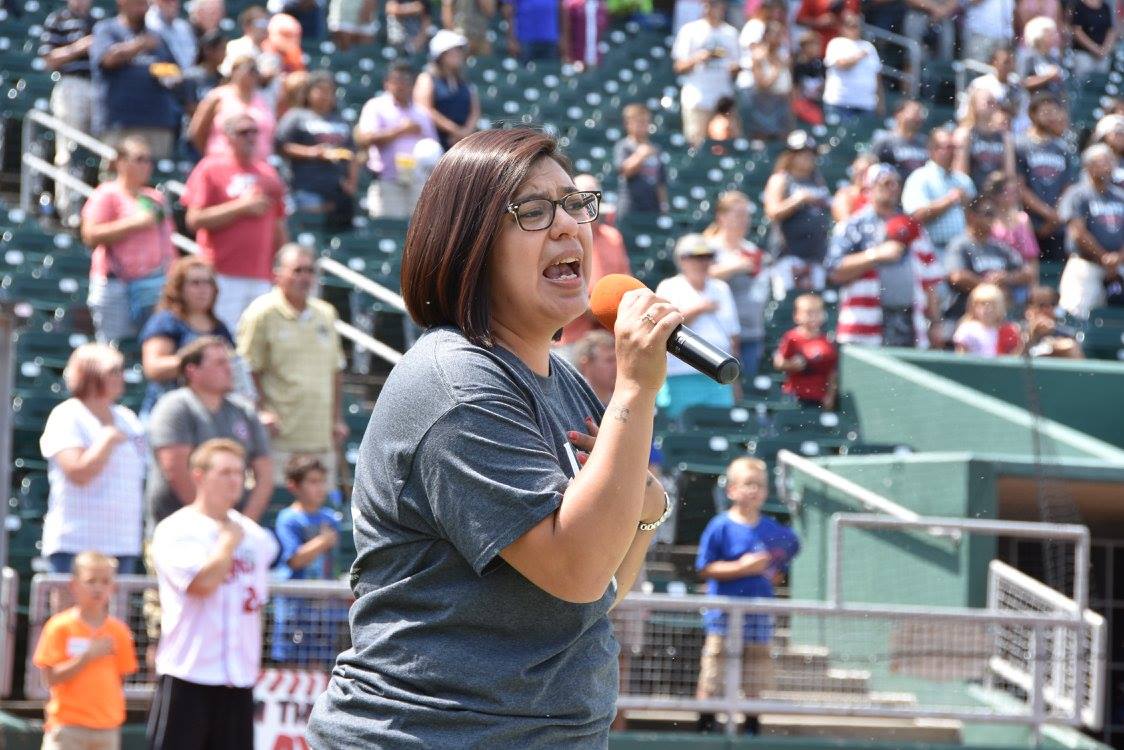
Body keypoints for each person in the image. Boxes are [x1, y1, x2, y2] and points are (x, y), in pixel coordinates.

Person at [307, 127, 674, 746]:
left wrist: (642, 512)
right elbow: (577, 569)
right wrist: (636, 389)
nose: (566, 226)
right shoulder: (457, 383)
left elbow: (594, 597)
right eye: (532, 210)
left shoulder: (562, 381)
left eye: (574, 204)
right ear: (469, 244)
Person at [146, 439, 279, 750]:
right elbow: (202, 585)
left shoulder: (256, 537)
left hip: (238, 676)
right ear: (199, 476)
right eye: (225, 472)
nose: (235, 481)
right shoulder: (176, 529)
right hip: (189, 673)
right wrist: (227, 544)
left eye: (239, 473)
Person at [694, 456, 800, 734]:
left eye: (760, 485)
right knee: (714, 672)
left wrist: (774, 569)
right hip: (723, 616)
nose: (754, 490)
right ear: (731, 490)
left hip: (758, 616)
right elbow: (705, 567)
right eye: (748, 484)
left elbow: (785, 557)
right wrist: (741, 567)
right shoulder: (720, 525)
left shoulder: (773, 530)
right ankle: (706, 725)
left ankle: (752, 726)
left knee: (755, 675)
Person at [237, 244, 349, 487]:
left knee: (321, 518)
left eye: (310, 270)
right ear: (277, 274)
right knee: (276, 511)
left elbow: (335, 371)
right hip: (280, 440)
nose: (305, 277)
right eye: (297, 270)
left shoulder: (326, 314)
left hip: (320, 437)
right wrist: (260, 411)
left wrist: (337, 418)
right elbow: (245, 368)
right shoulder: (261, 313)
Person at [39, 344, 146, 575]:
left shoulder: (128, 418)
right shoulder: (67, 415)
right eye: (113, 371)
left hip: (122, 541)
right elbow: (78, 472)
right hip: (75, 542)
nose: (121, 377)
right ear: (89, 375)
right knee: (71, 613)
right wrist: (105, 441)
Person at [146, 337, 274, 525]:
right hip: (181, 531)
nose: (229, 369)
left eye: (228, 362)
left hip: (234, 531)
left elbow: (265, 475)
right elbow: (176, 471)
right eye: (220, 363)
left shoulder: (244, 411)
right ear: (193, 370)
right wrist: (210, 523)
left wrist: (243, 525)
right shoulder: (174, 406)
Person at [182, 111, 289, 333]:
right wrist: (241, 207)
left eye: (254, 131)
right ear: (227, 136)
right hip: (220, 273)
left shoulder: (268, 173)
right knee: (223, 338)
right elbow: (194, 219)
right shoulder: (210, 168)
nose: (251, 137)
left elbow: (278, 224)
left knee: (256, 343)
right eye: (243, 132)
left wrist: (282, 266)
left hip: (261, 274)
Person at [827, 164, 945, 348]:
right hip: (865, 325)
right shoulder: (852, 226)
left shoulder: (912, 226)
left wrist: (936, 322)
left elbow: (930, 280)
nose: (893, 188)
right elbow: (835, 271)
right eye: (885, 183)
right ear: (869, 188)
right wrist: (875, 256)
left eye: (896, 183)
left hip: (909, 321)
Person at [32, 551, 137, 750]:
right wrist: (87, 656)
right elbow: (50, 678)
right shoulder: (59, 626)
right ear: (74, 585)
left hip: (107, 728)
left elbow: (120, 677)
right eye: (91, 581)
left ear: (113, 587)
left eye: (105, 581)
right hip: (67, 728)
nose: (98, 588)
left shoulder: (119, 631)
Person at [80, 136, 175, 344]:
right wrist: (134, 223)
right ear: (121, 162)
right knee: (113, 348)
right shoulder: (106, 194)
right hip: (116, 284)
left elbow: (167, 242)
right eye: (140, 159)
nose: (146, 165)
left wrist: (172, 275)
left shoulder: (155, 198)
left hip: (153, 284)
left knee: (154, 343)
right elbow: (90, 235)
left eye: (149, 160)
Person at [655, 234, 741, 416]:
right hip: (681, 374)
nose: (703, 262)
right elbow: (663, 326)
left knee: (720, 427)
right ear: (682, 260)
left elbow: (734, 336)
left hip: (718, 374)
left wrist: (735, 380)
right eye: (696, 257)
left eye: (708, 257)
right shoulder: (669, 286)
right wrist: (699, 309)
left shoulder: (721, 288)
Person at [139, 257, 236, 417]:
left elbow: (233, 368)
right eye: (195, 283)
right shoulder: (167, 321)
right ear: (179, 288)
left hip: (211, 414)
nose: (203, 289)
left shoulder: (220, 328)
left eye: (208, 283)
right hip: (170, 412)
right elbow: (153, 367)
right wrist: (199, 363)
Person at [271, 454, 345, 665]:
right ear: (294, 486)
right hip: (294, 606)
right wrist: (323, 541)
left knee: (321, 663)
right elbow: (294, 560)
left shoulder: (331, 518)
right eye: (313, 482)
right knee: (292, 663)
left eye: (322, 481)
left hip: (325, 608)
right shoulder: (288, 518)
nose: (320, 488)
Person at [90, 0, 180, 159]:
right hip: (120, 122)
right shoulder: (107, 29)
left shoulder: (156, 36)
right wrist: (140, 45)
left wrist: (168, 75)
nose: (142, 8)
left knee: (155, 178)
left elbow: (175, 70)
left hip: (156, 121)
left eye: (145, 4)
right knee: (117, 176)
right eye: (138, 3)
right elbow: (108, 58)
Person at [275, 71, 360, 228]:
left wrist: (352, 183)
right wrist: (313, 152)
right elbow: (281, 146)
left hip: (338, 192)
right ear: (308, 93)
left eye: (329, 91)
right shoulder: (296, 116)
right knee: (310, 234)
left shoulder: (341, 120)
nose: (325, 95)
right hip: (307, 189)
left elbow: (352, 154)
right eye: (320, 90)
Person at [355, 63, 440, 219]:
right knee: (387, 230)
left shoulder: (420, 113)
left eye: (407, 81)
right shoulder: (376, 106)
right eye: (397, 80)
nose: (402, 85)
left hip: (417, 182)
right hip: (387, 181)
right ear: (387, 83)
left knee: (417, 235)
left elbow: (433, 147)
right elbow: (364, 138)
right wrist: (400, 131)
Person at [39, 0, 96, 224]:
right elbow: (48, 60)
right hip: (71, 85)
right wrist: (80, 46)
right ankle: (68, 211)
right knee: (68, 149)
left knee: (96, 153)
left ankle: (92, 212)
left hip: (98, 86)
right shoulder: (58, 20)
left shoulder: (97, 23)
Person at [559, 174, 631, 345]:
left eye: (593, 197)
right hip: (574, 338)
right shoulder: (564, 236)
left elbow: (626, 281)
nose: (587, 204)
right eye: (582, 198)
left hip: (609, 336)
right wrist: (596, 308)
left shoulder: (612, 237)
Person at [705, 191, 769, 377]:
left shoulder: (752, 250)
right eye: (738, 214)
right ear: (721, 217)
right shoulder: (709, 247)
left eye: (747, 215)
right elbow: (697, 278)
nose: (744, 220)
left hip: (750, 330)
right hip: (719, 331)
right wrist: (732, 267)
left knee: (747, 387)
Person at [1058, 144, 1124, 317]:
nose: (1107, 166)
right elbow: (1077, 232)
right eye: (1101, 162)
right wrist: (1103, 257)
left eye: (1109, 162)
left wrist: (1118, 258)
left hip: (1119, 265)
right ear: (1088, 166)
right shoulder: (1077, 194)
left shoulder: (1120, 196)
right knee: (1075, 313)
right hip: (1086, 264)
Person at [764, 130, 832, 295]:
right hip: (788, 255)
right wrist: (798, 200)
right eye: (802, 153)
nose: (808, 157)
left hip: (815, 256)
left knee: (814, 305)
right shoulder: (781, 179)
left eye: (811, 153)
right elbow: (772, 212)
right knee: (787, 305)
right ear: (791, 155)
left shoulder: (817, 180)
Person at [944, 196, 1033, 322]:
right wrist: (988, 286)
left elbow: (1028, 273)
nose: (992, 219)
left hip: (997, 320)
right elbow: (956, 277)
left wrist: (1006, 277)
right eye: (987, 214)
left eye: (993, 214)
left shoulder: (999, 247)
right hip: (965, 317)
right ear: (971, 216)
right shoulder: (960, 245)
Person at [1016, 94, 1076, 262]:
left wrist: (1056, 216)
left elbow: (1067, 186)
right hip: (1028, 222)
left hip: (1056, 226)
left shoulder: (1062, 148)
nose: (1051, 116)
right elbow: (1019, 187)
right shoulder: (1020, 144)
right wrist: (1048, 214)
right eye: (1046, 111)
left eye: (1053, 112)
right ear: (1033, 114)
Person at [672, 0, 740, 146]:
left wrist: (735, 68)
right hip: (697, 98)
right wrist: (699, 57)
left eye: (717, 4)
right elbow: (679, 66)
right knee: (696, 144)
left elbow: (736, 66)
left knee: (726, 145)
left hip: (723, 100)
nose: (714, 8)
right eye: (710, 4)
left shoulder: (730, 32)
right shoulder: (690, 30)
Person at [188, 52, 276, 162]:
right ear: (235, 71)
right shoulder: (217, 97)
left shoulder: (263, 100)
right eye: (250, 70)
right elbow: (197, 132)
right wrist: (211, 156)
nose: (254, 74)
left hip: (258, 165)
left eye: (256, 71)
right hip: (221, 163)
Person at [901, 127, 976, 253]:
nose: (952, 152)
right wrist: (950, 200)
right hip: (933, 251)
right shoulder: (919, 178)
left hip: (964, 251)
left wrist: (966, 204)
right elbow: (916, 215)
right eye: (947, 147)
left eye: (954, 147)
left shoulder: (963, 180)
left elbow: (977, 216)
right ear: (932, 150)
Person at [415, 31, 480, 152]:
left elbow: (475, 111)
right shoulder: (427, 78)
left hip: (463, 143)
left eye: (459, 50)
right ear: (440, 55)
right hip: (436, 142)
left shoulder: (465, 82)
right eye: (454, 50)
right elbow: (424, 109)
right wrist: (454, 130)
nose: (458, 54)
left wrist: (465, 133)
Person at [773, 293, 837, 408]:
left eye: (817, 313)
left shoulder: (826, 342)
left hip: (819, 396)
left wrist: (830, 396)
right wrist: (791, 365)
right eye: (808, 313)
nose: (813, 317)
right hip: (795, 396)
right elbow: (778, 362)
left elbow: (831, 373)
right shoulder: (792, 338)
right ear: (797, 315)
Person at [954, 86, 1016, 195]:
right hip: (971, 195)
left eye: (994, 101)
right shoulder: (965, 134)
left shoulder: (1005, 137)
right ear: (974, 104)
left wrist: (999, 176)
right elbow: (960, 174)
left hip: (996, 197)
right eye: (988, 101)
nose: (992, 103)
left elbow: (1010, 174)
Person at [822, 12, 881, 125]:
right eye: (851, 25)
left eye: (857, 25)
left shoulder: (869, 47)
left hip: (866, 104)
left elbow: (877, 75)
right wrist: (858, 56)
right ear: (842, 27)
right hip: (840, 103)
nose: (855, 28)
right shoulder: (836, 43)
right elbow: (841, 65)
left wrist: (880, 101)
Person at [738, 20, 793, 140]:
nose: (780, 38)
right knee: (763, 138)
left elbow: (789, 83)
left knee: (783, 139)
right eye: (776, 34)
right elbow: (762, 84)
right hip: (765, 103)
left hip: (783, 102)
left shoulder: (784, 55)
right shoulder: (758, 56)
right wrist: (777, 68)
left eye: (782, 34)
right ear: (767, 35)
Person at [614, 103, 669, 217]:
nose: (643, 125)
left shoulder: (656, 149)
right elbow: (624, 171)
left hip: (652, 204)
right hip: (631, 203)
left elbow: (661, 181)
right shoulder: (624, 146)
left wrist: (664, 204)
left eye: (646, 121)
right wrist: (640, 155)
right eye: (639, 122)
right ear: (628, 123)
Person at [983, 171, 1040, 278]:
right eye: (1008, 191)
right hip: (996, 276)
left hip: (1021, 278)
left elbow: (1032, 258)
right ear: (996, 195)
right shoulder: (987, 221)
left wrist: (1033, 286)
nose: (1014, 194)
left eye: (1014, 191)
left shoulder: (1023, 219)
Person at [952, 283, 1022, 356]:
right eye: (982, 304)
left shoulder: (1009, 330)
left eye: (993, 305)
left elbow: (1014, 356)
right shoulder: (967, 329)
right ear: (973, 306)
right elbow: (960, 356)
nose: (987, 309)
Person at [871, 100, 929, 180]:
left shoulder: (925, 142)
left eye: (921, 114)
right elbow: (871, 166)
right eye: (914, 112)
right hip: (893, 188)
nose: (918, 117)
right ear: (898, 114)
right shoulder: (885, 140)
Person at [1023, 285, 1084, 358]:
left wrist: (1053, 345)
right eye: (1042, 305)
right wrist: (1032, 336)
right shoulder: (1019, 330)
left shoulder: (1065, 332)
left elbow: (1077, 359)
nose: (1048, 309)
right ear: (1030, 310)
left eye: (1052, 304)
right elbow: (1012, 362)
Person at [1019, 17, 1067, 103]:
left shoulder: (1055, 57)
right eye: (1050, 34)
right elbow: (1023, 83)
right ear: (1039, 35)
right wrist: (1048, 77)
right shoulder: (1029, 57)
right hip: (1033, 104)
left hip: (1054, 103)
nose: (1055, 36)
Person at [1068, 0, 1116, 82]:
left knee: (1101, 83)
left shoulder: (1105, 7)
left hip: (1102, 55)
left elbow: (1110, 30)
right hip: (1083, 54)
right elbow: (1077, 31)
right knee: (1082, 83)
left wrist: (1105, 49)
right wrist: (1095, 49)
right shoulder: (1079, 6)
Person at [146, 0, 197, 73]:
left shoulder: (183, 26)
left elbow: (192, 56)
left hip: (187, 77)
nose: (172, 4)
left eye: (175, 1)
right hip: (160, 77)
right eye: (167, 1)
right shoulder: (148, 24)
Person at [572, 329, 617, 405]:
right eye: (610, 360)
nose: (617, 366)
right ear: (586, 364)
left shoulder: (623, 400)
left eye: (617, 360)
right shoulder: (574, 402)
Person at [833, 151, 877, 221]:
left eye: (865, 172)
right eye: (857, 170)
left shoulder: (878, 195)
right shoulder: (846, 194)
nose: (860, 175)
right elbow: (844, 221)